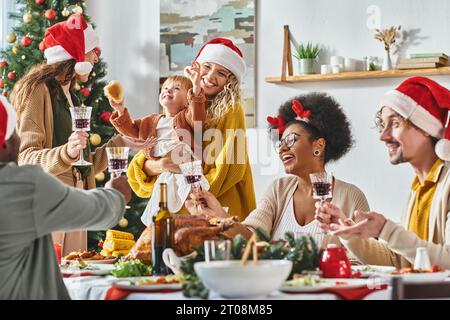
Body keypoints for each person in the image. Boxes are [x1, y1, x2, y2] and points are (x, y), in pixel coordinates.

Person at [186, 93, 369, 249]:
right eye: (280, 143)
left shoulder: (351, 196)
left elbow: (365, 259)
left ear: (318, 146)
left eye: (290, 140)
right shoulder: (278, 189)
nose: (282, 149)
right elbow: (251, 238)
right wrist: (219, 214)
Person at [10, 14, 126, 255]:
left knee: (72, 279)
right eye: (94, 50)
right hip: (49, 200)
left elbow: (81, 164)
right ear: (77, 55)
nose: (97, 56)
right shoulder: (37, 90)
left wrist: (122, 141)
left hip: (75, 197)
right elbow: (26, 158)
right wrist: (67, 152)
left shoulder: (70, 97)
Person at [0, 96, 131, 299]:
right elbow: (100, 210)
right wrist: (116, 193)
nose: (21, 139)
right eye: (16, 131)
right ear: (4, 144)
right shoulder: (23, 186)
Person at [316, 76, 450, 268]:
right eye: (382, 125)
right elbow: (400, 260)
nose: (383, 136)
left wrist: (387, 230)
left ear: (425, 128)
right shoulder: (418, 189)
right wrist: (349, 234)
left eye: (395, 124)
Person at [127, 38, 256, 221]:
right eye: (207, 66)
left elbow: (230, 167)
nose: (211, 76)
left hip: (218, 205)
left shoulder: (231, 109)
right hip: (181, 208)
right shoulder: (182, 105)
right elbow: (144, 161)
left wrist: (193, 196)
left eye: (221, 73)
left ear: (231, 80)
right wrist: (160, 165)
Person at [109, 70, 209, 225]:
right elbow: (132, 129)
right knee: (160, 202)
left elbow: (198, 115)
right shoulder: (150, 121)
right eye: (165, 88)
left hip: (185, 165)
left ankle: (199, 214)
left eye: (176, 88)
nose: (168, 90)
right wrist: (121, 110)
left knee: (193, 198)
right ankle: (159, 224)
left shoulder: (186, 118)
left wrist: (195, 87)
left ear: (187, 101)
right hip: (165, 170)